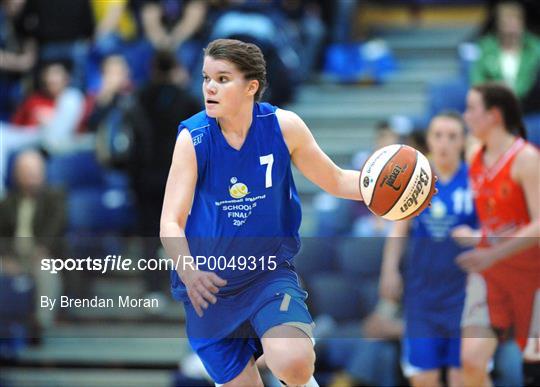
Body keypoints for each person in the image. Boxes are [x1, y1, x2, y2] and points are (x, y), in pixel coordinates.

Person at [160, 38, 365, 386]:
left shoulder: (284, 127)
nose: (210, 87)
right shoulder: (192, 139)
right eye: (206, 78)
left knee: (294, 361)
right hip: (210, 288)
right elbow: (170, 221)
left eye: (222, 79)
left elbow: (336, 179)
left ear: (251, 86)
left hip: (266, 274)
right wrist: (190, 272)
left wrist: (397, 189)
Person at [379, 113, 477, 387]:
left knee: (465, 378)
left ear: (463, 141)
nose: (444, 143)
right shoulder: (415, 179)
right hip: (422, 297)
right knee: (423, 379)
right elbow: (398, 230)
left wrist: (477, 236)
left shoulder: (476, 180)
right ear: (429, 140)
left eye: (452, 136)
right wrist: (389, 272)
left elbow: (497, 231)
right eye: (438, 135)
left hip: (466, 296)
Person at [456, 82, 539, 387]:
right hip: (491, 273)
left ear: (493, 115)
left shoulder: (526, 159)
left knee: (532, 373)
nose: (466, 116)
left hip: (531, 274)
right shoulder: (475, 152)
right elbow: (499, 218)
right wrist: (477, 234)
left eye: (471, 109)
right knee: (471, 360)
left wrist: (490, 252)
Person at [470, 1, 540, 113]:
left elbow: (532, 81)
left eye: (515, 19)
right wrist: (496, 93)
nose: (511, 25)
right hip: (492, 105)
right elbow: (477, 80)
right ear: (498, 23)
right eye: (506, 20)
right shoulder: (486, 47)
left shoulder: (535, 48)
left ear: (522, 22)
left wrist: (509, 95)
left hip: (527, 105)